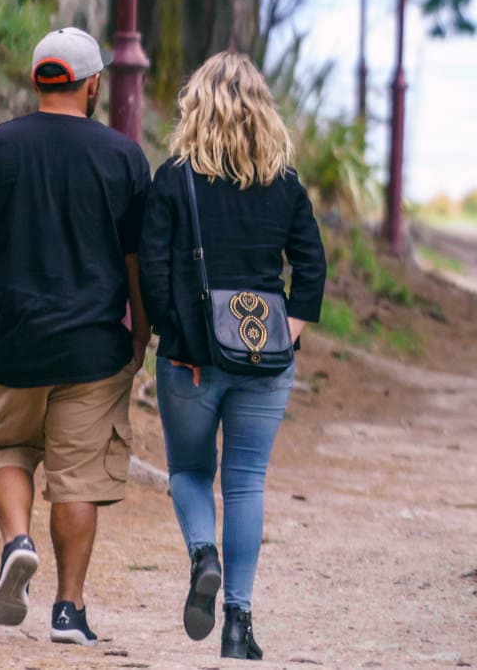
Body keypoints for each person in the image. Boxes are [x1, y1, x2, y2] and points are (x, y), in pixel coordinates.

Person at [0, 28, 151, 648]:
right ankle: (68, 611)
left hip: (11, 341)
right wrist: (141, 331)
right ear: (91, 86)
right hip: (93, 348)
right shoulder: (122, 157)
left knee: (5, 446)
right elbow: (137, 259)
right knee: (78, 478)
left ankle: (16, 543)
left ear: (37, 81)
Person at [140, 51, 327, 661]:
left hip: (191, 362)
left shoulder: (174, 178)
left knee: (189, 473)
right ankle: (239, 625)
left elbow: (157, 276)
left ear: (197, 106)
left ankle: (203, 554)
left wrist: (183, 345)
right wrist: (287, 332)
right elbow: (312, 267)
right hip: (265, 361)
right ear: (263, 113)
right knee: (246, 484)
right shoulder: (286, 184)